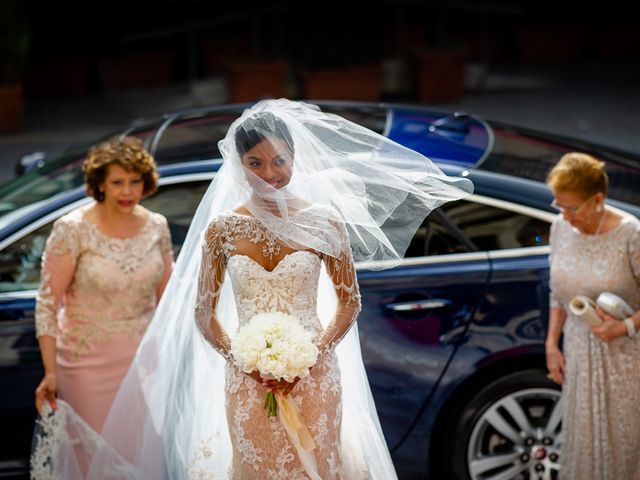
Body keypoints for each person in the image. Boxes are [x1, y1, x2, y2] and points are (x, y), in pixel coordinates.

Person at [32, 99, 472, 479]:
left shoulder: (324, 221)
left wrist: (314, 354)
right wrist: (243, 360)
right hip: (245, 378)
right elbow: (204, 314)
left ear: (295, 157)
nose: (269, 174)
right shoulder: (223, 230)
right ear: (240, 166)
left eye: (278, 160)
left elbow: (348, 302)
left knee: (316, 465)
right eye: (255, 163)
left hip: (315, 374)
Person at [30, 136, 174, 476]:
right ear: (100, 185)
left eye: (135, 181)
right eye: (117, 182)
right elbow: (47, 304)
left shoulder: (157, 227)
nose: (127, 191)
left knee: (142, 455)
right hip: (85, 366)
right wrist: (50, 372)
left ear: (146, 182)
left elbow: (169, 300)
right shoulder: (72, 229)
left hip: (144, 365)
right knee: (97, 462)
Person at [545, 152, 640, 479]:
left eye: (571, 207)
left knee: (624, 445)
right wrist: (551, 345)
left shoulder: (631, 234)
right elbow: (557, 291)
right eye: (559, 205)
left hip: (626, 359)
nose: (565, 215)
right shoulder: (560, 228)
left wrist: (625, 325)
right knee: (582, 442)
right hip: (578, 352)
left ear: (597, 199)